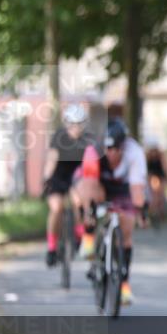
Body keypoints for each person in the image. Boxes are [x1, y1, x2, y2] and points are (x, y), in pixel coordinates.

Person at [74, 118, 148, 306]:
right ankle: (89, 238)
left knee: (127, 228)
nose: (111, 154)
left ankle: (124, 284)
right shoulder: (94, 152)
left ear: (123, 146)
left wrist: (141, 212)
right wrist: (89, 212)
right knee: (88, 194)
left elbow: (137, 190)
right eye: (108, 149)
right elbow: (89, 185)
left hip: (123, 188)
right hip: (99, 184)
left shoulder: (135, 153)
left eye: (116, 149)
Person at [41, 103, 97, 267]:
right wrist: (46, 179)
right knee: (56, 208)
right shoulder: (59, 137)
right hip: (58, 175)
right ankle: (51, 248)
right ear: (66, 124)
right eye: (72, 124)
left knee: (79, 202)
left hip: (76, 176)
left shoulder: (88, 139)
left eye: (79, 124)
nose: (75, 128)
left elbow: (91, 163)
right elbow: (51, 159)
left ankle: (79, 236)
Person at [144, 135, 167, 222]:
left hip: (160, 175)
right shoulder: (147, 156)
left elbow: (165, 167)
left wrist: (166, 178)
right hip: (151, 176)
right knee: (153, 193)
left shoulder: (161, 155)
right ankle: (152, 210)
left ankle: (161, 211)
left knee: (161, 194)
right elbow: (145, 169)